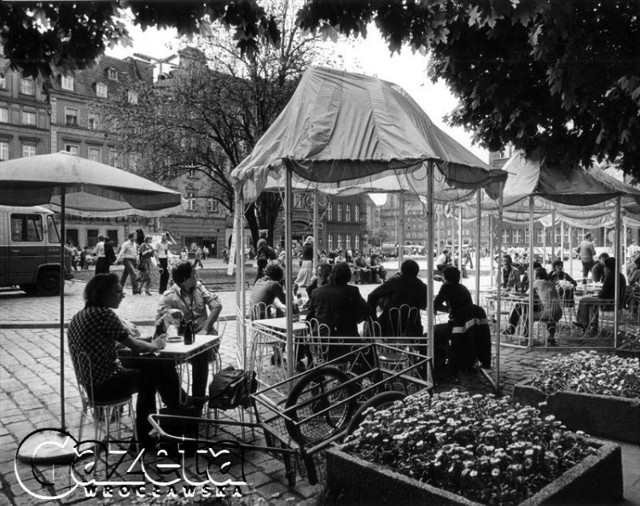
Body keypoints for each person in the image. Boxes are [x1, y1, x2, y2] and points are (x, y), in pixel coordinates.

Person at [67, 273, 184, 447]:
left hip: (90, 385)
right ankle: (147, 434)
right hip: (106, 385)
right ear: (102, 293)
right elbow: (134, 346)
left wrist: (147, 343)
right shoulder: (104, 314)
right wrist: (156, 345)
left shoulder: (80, 316)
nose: (122, 295)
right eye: (117, 292)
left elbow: (115, 343)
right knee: (149, 376)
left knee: (155, 364)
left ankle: (175, 405)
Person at [156, 261, 223, 400]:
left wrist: (205, 329)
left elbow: (216, 306)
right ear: (185, 279)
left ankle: (197, 401)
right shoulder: (168, 297)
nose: (197, 276)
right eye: (194, 274)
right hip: (183, 345)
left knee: (201, 354)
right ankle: (178, 399)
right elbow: (161, 326)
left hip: (205, 342)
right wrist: (170, 317)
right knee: (161, 361)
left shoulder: (199, 288)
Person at [306, 262, 373, 363]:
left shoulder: (316, 292)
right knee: (370, 347)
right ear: (348, 276)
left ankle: (315, 372)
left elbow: (309, 319)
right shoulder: (352, 291)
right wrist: (354, 317)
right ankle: (366, 375)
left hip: (321, 346)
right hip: (347, 347)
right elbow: (367, 311)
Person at [367, 259, 427, 337]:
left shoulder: (394, 281)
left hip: (389, 326)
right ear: (417, 271)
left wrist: (373, 317)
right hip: (413, 327)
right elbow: (423, 306)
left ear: (402, 270)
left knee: (371, 331)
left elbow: (372, 296)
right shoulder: (422, 286)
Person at [574, 257, 627, 334]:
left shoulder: (611, 277)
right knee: (591, 303)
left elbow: (603, 294)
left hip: (610, 302)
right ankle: (593, 326)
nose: (604, 269)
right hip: (616, 302)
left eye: (605, 267)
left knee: (583, 300)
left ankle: (584, 323)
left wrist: (597, 295)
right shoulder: (619, 275)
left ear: (607, 267)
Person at [532, 267, 563, 346]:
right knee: (551, 317)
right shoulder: (550, 283)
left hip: (548, 313)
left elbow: (527, 293)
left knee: (526, 316)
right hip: (558, 312)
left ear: (537, 276)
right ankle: (551, 337)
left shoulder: (537, 282)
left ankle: (527, 337)